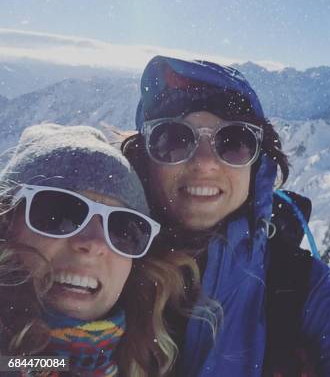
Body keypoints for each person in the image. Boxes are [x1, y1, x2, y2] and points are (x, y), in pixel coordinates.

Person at [122, 56, 330, 376]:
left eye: (233, 142)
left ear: (257, 165)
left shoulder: (295, 285)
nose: (205, 163)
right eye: (173, 140)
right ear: (144, 159)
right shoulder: (100, 260)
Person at [0, 123, 209, 377]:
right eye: (60, 213)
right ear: (7, 224)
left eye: (124, 230)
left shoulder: (156, 364)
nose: (95, 243)